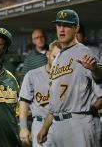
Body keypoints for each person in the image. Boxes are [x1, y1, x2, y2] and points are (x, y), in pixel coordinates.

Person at [37, 9, 102, 147]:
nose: (61, 29)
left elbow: (99, 74)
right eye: (58, 25)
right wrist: (45, 127)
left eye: (66, 25)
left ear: (76, 28)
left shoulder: (83, 51)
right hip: (56, 124)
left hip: (77, 122)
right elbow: (55, 101)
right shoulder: (58, 58)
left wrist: (95, 68)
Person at [19, 40, 62, 147]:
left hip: (64, 124)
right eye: (54, 57)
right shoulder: (32, 75)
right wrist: (23, 127)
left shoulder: (68, 76)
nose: (57, 61)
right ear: (48, 54)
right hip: (40, 122)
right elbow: (24, 101)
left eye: (61, 58)